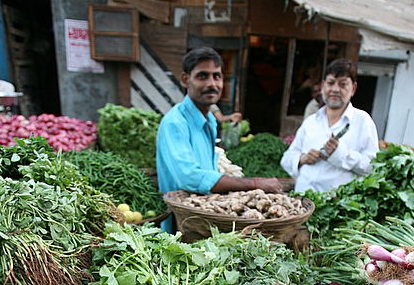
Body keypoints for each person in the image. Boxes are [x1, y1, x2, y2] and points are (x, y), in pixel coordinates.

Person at [156, 46, 282, 232]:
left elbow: (207, 172)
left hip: (203, 220)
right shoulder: (175, 122)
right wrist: (255, 184)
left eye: (217, 76)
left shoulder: (210, 120)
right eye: (202, 76)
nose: (212, 84)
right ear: (185, 79)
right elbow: (189, 178)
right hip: (180, 227)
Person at [280, 58, 379, 193]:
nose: (335, 89)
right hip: (301, 200)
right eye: (331, 83)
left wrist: (341, 154)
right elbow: (286, 159)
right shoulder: (312, 121)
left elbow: (373, 167)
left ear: (353, 88)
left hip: (337, 202)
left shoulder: (362, 121)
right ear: (323, 86)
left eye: (343, 84)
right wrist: (302, 159)